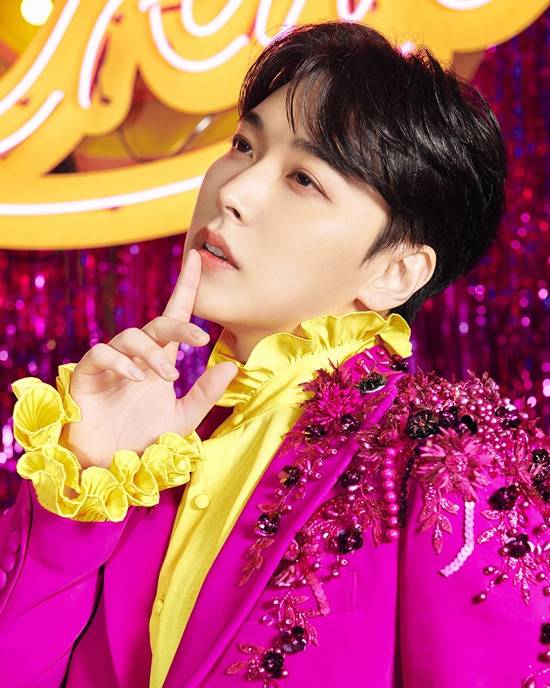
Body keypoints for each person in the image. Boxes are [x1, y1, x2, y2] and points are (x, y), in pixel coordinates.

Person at [0, 20, 548, 688]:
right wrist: (86, 486)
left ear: (395, 273)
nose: (233, 191)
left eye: (304, 179)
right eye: (243, 145)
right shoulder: (153, 452)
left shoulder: (445, 462)